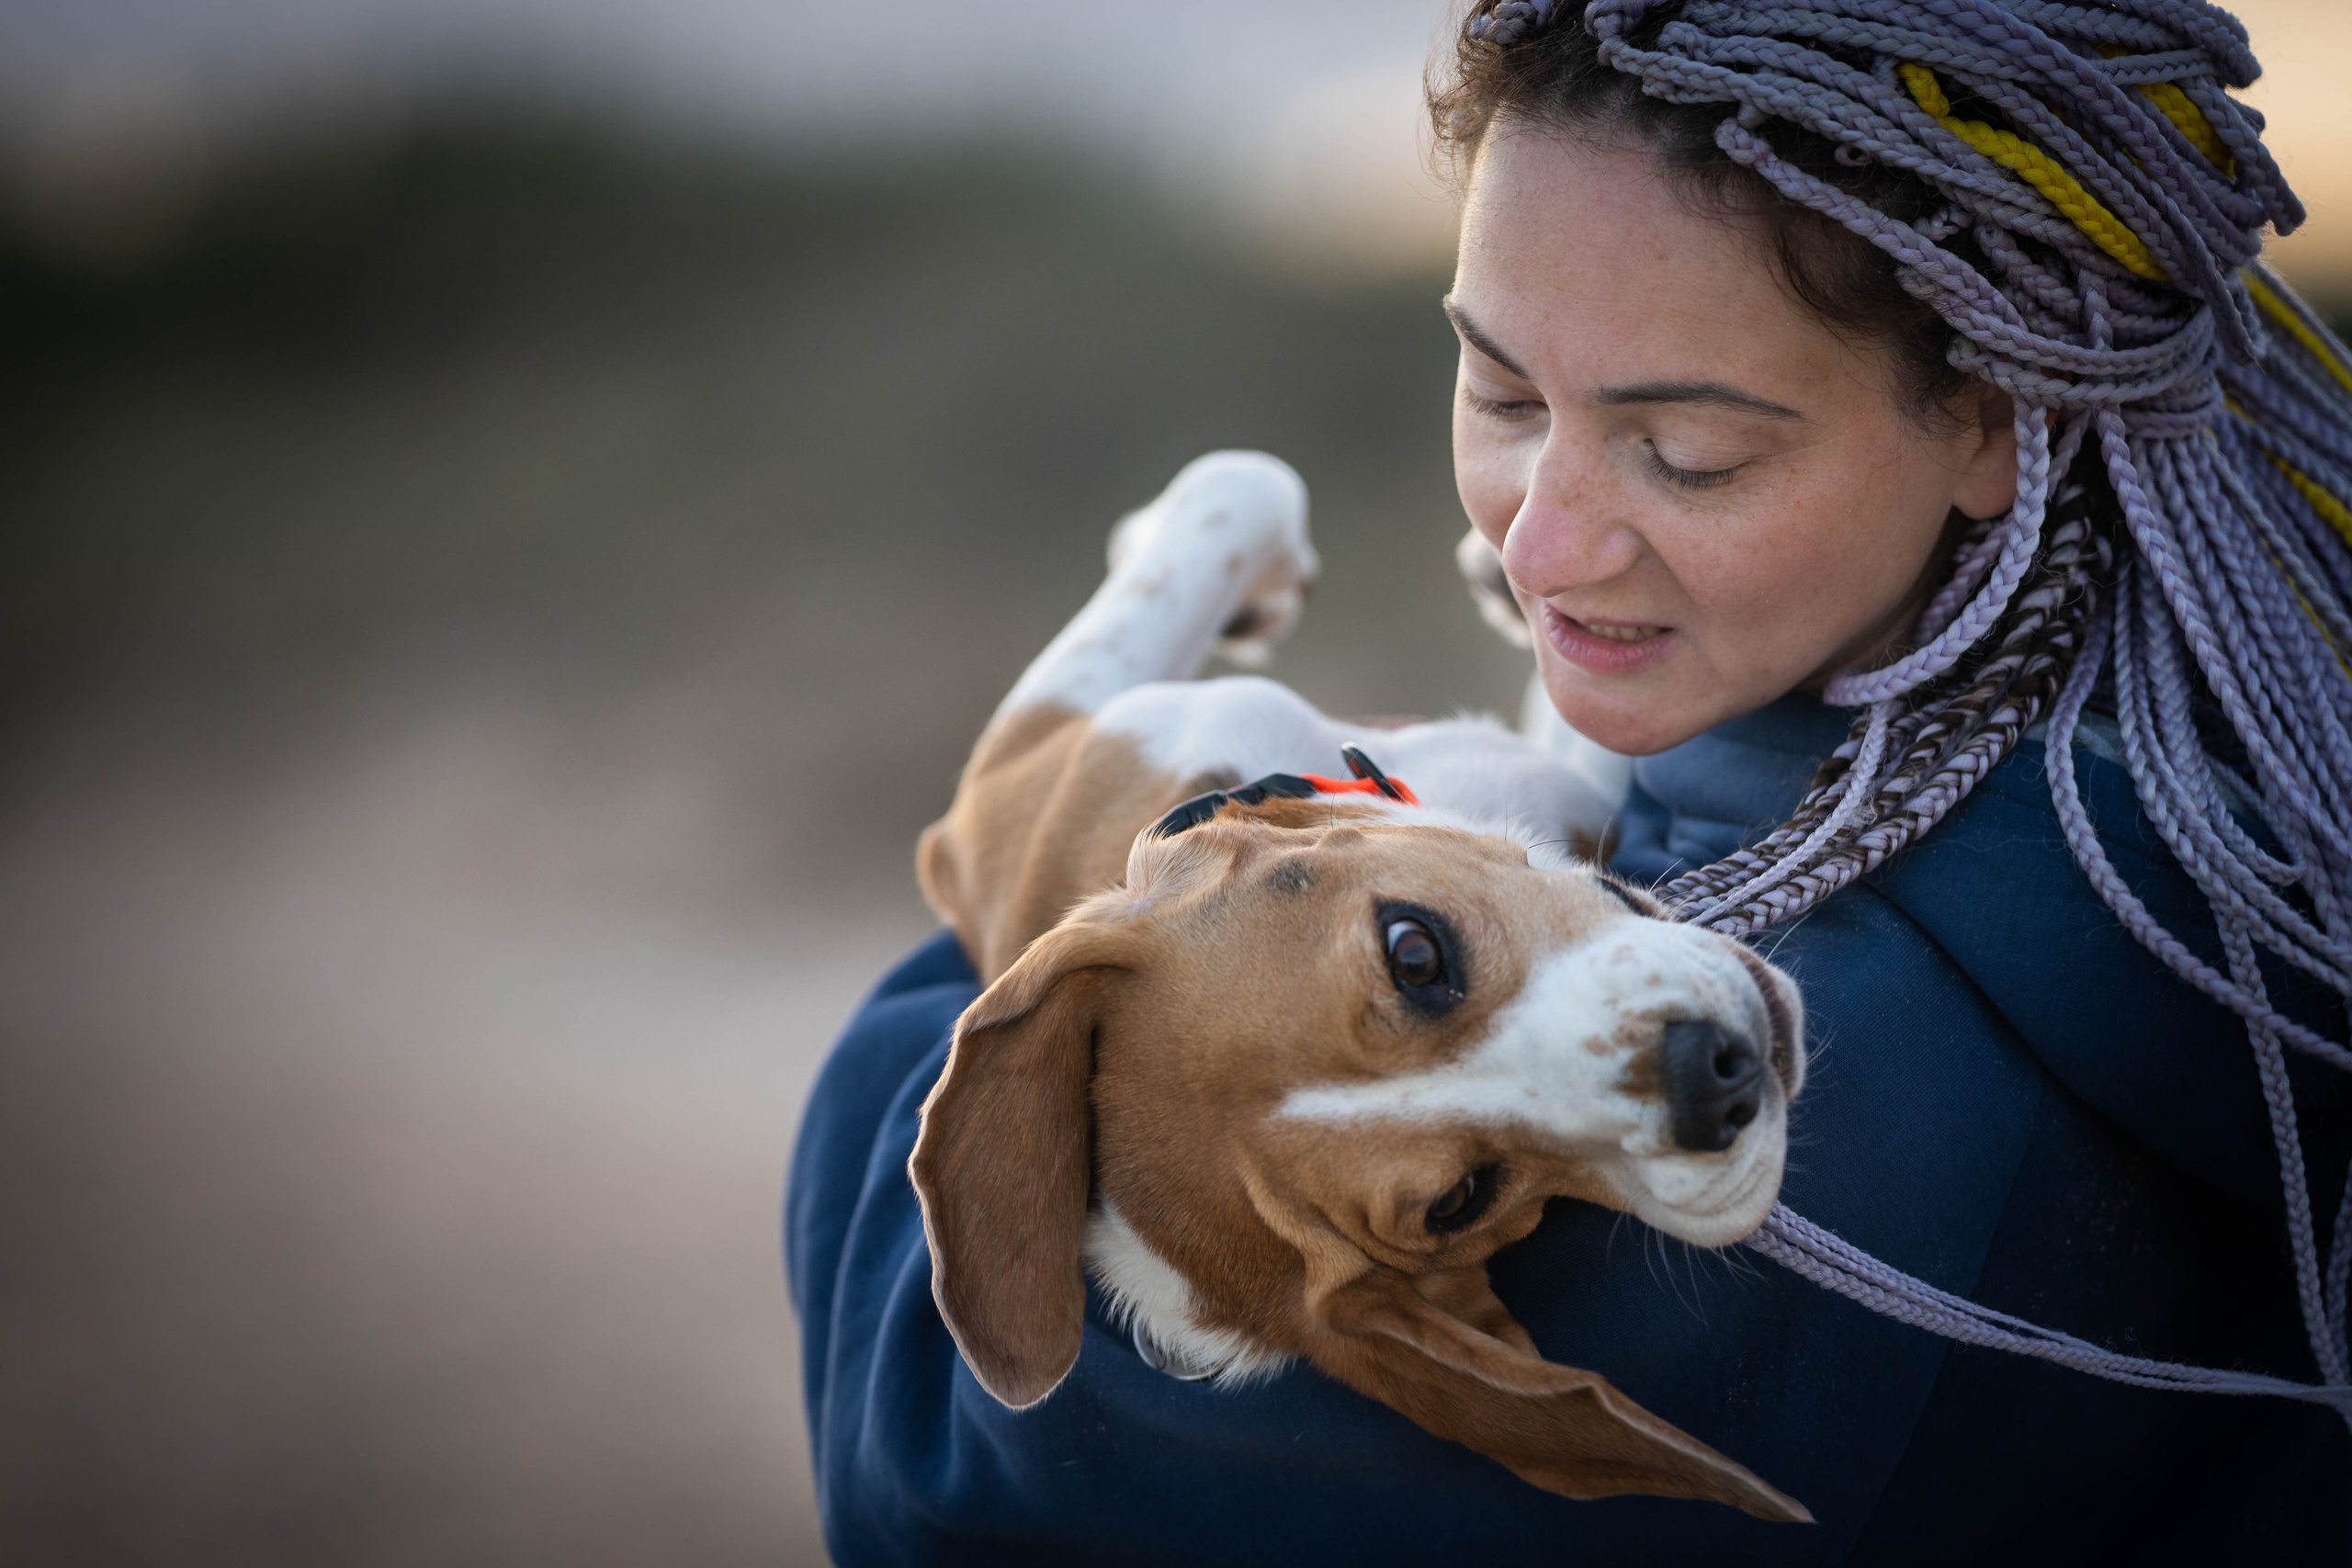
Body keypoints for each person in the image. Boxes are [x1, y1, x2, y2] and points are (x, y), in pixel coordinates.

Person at [786, 2, 2352, 1560]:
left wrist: (921, 1034)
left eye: (1688, 454)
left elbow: (957, 1476)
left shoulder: (1846, 1129)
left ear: (1997, 418)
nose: (1536, 545)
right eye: (1505, 396)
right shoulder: (2162, 788)